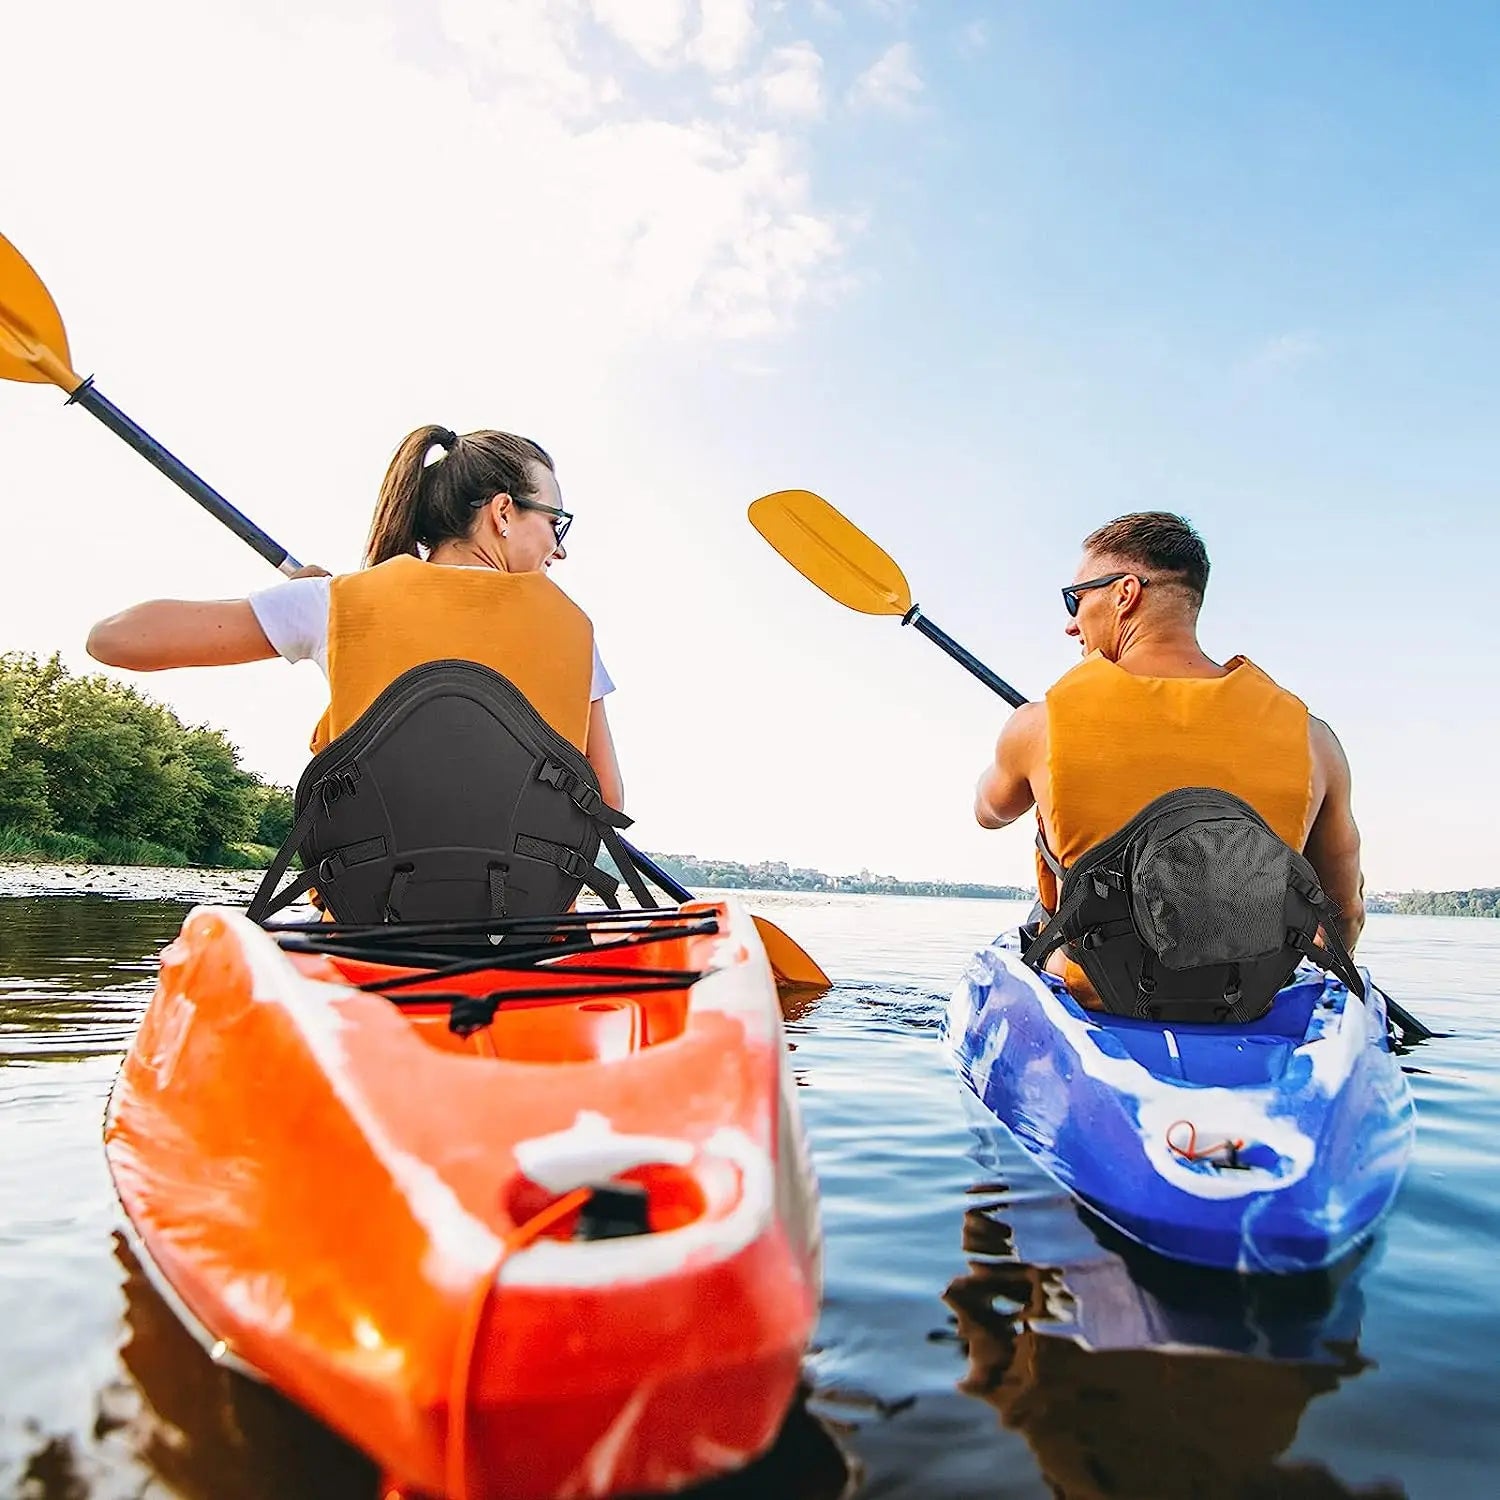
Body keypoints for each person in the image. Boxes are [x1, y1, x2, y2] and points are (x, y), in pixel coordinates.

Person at [86, 425, 623, 809]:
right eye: (557, 523)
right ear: (504, 513)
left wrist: (297, 600)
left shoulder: (335, 602)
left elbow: (113, 639)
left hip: (368, 917)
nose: (560, 548)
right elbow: (607, 800)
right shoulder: (576, 632)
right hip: (528, 916)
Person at [973, 511, 1363, 1007]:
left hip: (1094, 991)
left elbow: (988, 812)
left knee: (1052, 906)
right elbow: (1344, 912)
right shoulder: (1313, 739)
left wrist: (1027, 736)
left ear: (1124, 593)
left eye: (1076, 599)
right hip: (1244, 1001)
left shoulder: (1039, 725)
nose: (1072, 624)